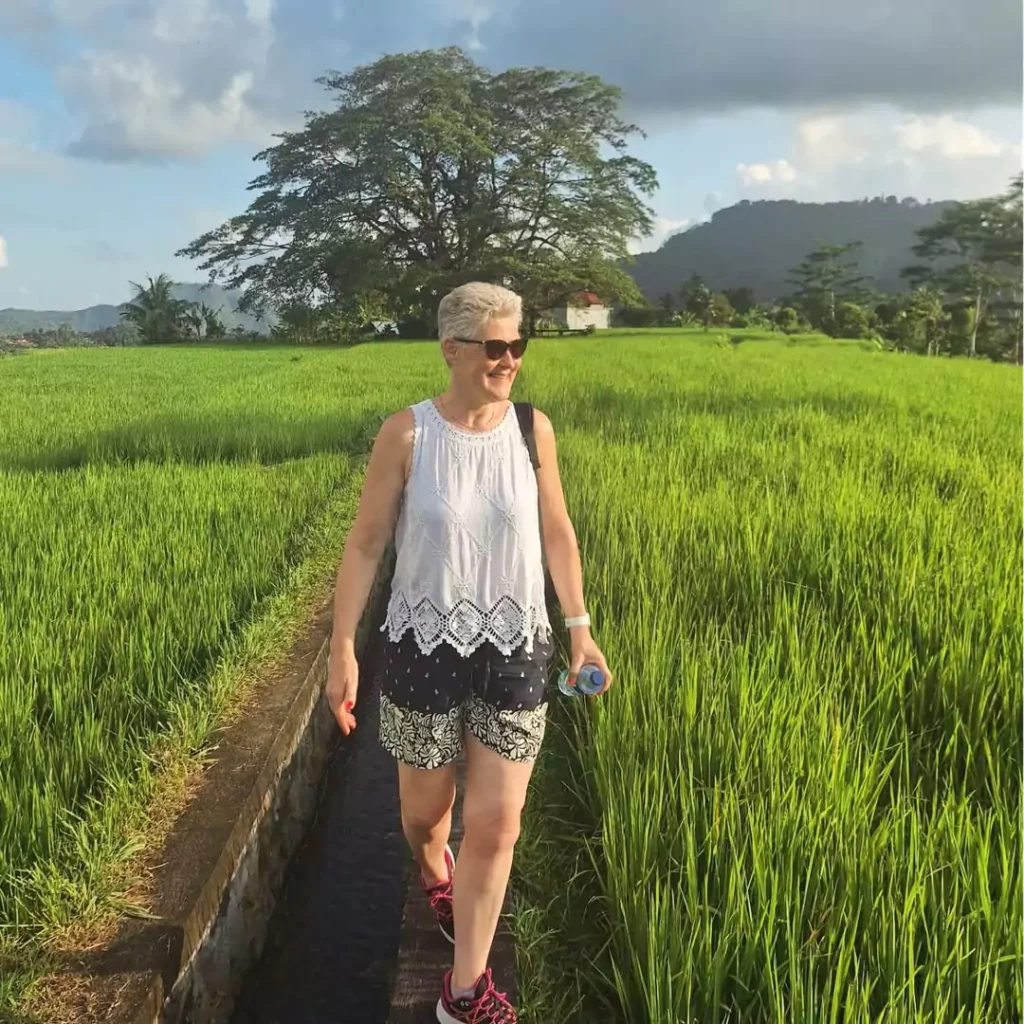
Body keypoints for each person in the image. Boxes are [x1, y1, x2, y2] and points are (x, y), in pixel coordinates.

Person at [325, 281, 612, 1023]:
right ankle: (434, 874)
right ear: (452, 350)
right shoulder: (408, 435)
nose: (510, 358)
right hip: (422, 645)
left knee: (497, 823)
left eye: (519, 344)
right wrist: (342, 650)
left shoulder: (531, 430)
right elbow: (365, 545)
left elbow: (558, 532)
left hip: (517, 647)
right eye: (495, 346)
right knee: (427, 817)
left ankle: (463, 992)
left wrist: (578, 627)